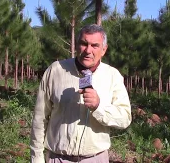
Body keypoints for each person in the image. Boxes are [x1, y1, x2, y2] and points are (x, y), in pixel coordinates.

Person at [30, 24, 132, 163]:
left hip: (96, 159)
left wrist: (98, 106)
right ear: (77, 45)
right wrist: (36, 158)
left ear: (104, 50)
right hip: (58, 158)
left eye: (94, 45)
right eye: (84, 44)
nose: (88, 50)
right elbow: (40, 118)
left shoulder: (112, 76)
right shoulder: (56, 71)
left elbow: (124, 118)